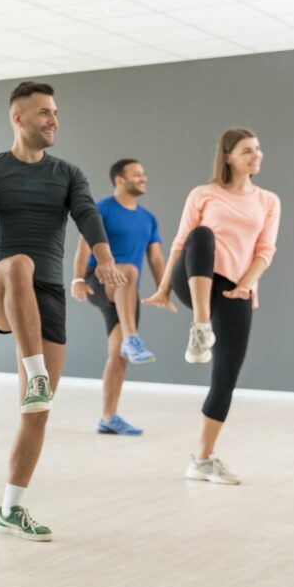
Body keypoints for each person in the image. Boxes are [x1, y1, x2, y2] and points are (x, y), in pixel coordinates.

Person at [0, 81, 125, 541]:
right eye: (43, 113)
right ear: (18, 119)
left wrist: (105, 257)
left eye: (55, 113)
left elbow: (88, 214)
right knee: (19, 263)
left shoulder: (68, 173)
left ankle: (10, 509)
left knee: (37, 413)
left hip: (48, 297)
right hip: (0, 287)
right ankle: (33, 373)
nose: (53, 120)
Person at [144, 128, 280, 486]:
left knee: (226, 378)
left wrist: (245, 287)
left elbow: (265, 251)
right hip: (192, 279)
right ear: (228, 157)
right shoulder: (203, 194)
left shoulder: (268, 201)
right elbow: (180, 242)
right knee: (201, 235)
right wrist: (162, 289)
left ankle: (202, 460)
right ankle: (201, 327)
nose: (256, 155)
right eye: (247, 150)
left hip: (235, 289)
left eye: (258, 149)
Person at [71, 158, 171, 435]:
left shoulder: (148, 218)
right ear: (119, 179)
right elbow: (83, 247)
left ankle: (108, 417)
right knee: (126, 269)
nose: (143, 178)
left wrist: (164, 290)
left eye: (144, 174)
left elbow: (156, 258)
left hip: (127, 292)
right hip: (100, 281)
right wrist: (78, 279)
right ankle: (132, 338)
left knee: (118, 357)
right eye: (137, 174)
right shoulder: (101, 209)